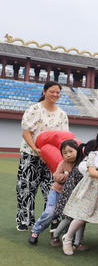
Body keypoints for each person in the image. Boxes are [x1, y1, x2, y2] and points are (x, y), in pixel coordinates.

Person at [16, 81, 69, 231]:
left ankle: (52, 220)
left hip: (53, 159)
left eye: (58, 92)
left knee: (53, 189)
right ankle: (24, 221)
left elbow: (64, 138)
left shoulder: (62, 114)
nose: (55, 95)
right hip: (31, 155)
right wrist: (36, 149)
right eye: (52, 91)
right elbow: (26, 132)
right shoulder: (34, 110)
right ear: (44, 91)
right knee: (26, 188)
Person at [61, 129, 98, 256]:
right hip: (90, 191)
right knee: (82, 216)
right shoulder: (94, 155)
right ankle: (67, 239)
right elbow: (93, 172)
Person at [28, 140, 80, 245]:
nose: (68, 155)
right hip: (57, 192)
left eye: (71, 151)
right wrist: (68, 176)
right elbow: (56, 176)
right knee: (50, 213)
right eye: (65, 153)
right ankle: (35, 231)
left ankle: (67, 237)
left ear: (77, 150)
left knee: (68, 216)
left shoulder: (81, 164)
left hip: (72, 196)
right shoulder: (63, 163)